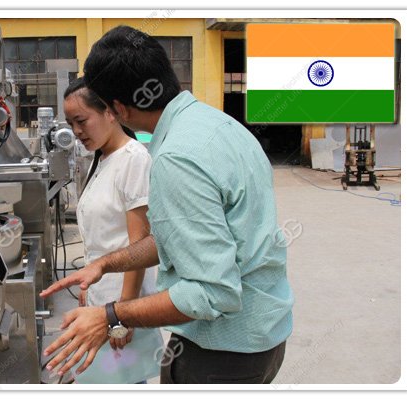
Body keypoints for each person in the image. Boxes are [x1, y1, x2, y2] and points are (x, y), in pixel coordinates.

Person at [40, 25, 294, 384]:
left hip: (222, 353)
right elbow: (181, 237)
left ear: (116, 109)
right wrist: (105, 264)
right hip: (263, 337)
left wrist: (110, 316)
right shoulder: (220, 125)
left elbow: (211, 293)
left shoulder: (176, 159)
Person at [62, 77, 161, 383]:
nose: (77, 131)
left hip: (122, 304)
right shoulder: (102, 158)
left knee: (123, 381)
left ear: (109, 112)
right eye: (71, 123)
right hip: (102, 299)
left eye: (81, 120)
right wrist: (88, 289)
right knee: (102, 380)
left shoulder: (133, 160)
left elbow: (139, 244)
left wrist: (123, 313)